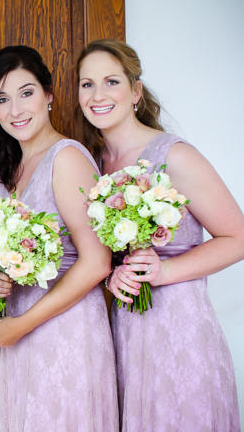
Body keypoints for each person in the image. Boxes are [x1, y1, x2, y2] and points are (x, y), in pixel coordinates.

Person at [77, 38, 242, 432]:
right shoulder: (91, 164)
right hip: (126, 332)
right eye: (87, 84)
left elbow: (237, 238)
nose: (98, 95)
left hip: (179, 329)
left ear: (135, 91)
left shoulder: (174, 155)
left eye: (111, 82)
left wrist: (164, 272)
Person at [0, 45, 119, 432]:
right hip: (21, 331)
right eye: (2, 99)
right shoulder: (10, 168)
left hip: (66, 330)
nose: (15, 110)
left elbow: (97, 262)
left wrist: (22, 325)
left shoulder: (67, 157)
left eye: (26, 93)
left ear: (49, 95)